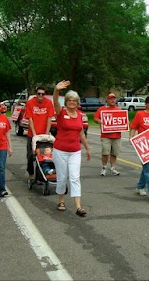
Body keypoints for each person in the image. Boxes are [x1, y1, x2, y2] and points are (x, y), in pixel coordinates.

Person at [53, 80, 91, 217]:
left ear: (77, 102)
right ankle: (61, 201)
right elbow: (55, 102)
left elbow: (80, 133)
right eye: (69, 100)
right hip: (60, 150)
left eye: (74, 101)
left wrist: (87, 148)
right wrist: (56, 90)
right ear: (66, 102)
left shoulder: (80, 115)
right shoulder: (61, 113)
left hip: (75, 151)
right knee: (62, 177)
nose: (72, 102)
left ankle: (78, 206)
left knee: (75, 177)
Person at [25, 86, 54, 181]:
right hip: (32, 134)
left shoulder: (49, 103)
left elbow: (49, 118)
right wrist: (34, 134)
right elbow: (30, 119)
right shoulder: (30, 103)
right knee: (31, 155)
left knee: (42, 156)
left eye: (43, 94)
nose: (41, 95)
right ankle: (30, 172)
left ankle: (39, 176)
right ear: (36, 94)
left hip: (44, 134)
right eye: (39, 94)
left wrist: (46, 134)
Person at [93, 92, 121, 176]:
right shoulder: (102, 109)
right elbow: (95, 118)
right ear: (107, 100)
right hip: (106, 135)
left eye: (114, 98)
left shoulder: (119, 109)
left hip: (117, 135)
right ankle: (104, 167)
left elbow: (123, 120)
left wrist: (124, 124)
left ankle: (112, 168)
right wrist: (99, 121)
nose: (112, 100)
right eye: (110, 99)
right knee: (105, 152)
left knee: (114, 153)